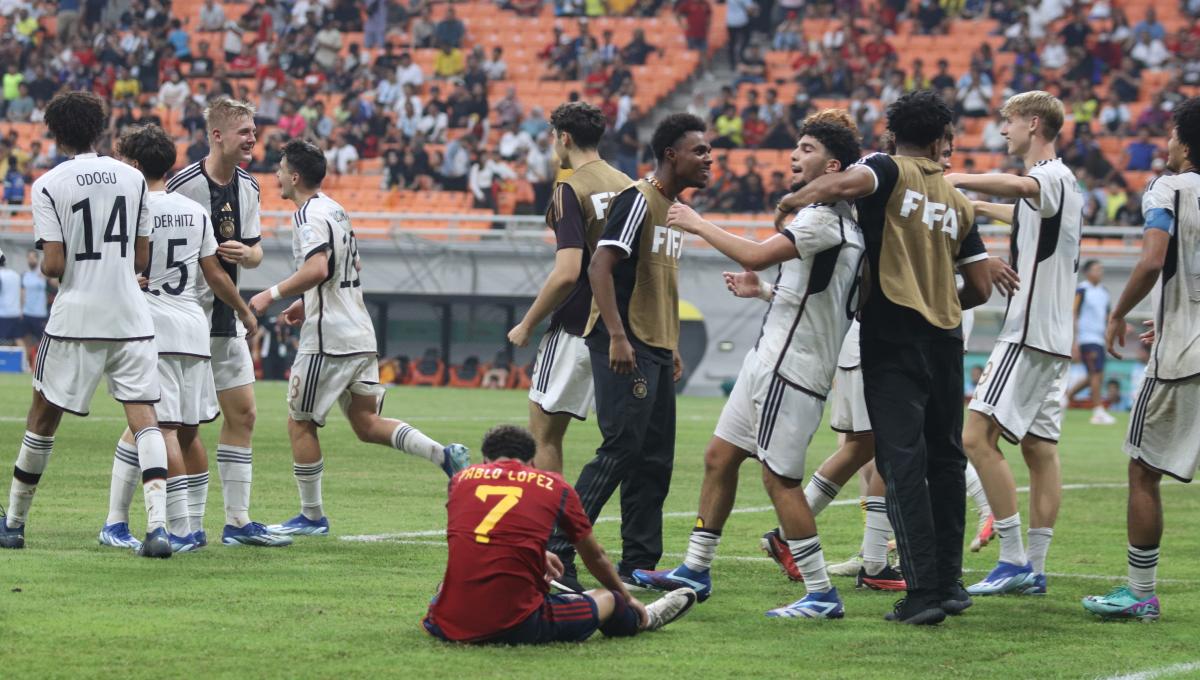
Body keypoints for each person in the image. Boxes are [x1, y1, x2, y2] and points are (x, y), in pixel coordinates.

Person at [632, 111, 865, 619]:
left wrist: (697, 223)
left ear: (834, 166)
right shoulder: (829, 219)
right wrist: (765, 293)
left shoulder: (827, 218)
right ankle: (696, 568)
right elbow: (813, 296)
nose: (795, 155)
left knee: (780, 480)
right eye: (797, 146)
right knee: (720, 456)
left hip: (793, 369)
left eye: (807, 149)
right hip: (771, 357)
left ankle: (821, 593)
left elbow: (758, 254)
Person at [778, 90, 992, 624]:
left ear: (893, 134)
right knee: (946, 461)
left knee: (901, 464)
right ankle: (950, 584)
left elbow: (841, 185)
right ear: (942, 140)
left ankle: (921, 595)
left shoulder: (885, 167)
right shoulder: (958, 201)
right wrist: (941, 301)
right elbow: (982, 287)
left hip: (893, 333)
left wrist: (793, 200)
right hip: (947, 339)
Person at [247, 140, 470, 536]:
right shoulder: (336, 209)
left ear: (294, 176)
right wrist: (306, 301)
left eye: (280, 169)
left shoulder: (307, 215)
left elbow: (318, 268)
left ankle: (311, 517)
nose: (277, 175)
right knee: (366, 423)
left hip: (329, 339)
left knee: (300, 422)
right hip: (360, 332)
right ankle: (443, 455)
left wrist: (272, 294)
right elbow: (351, 265)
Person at [0, 92, 171, 557]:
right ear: (99, 128)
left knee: (42, 417)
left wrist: (51, 260)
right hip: (130, 315)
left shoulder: (47, 185)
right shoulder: (133, 179)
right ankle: (158, 529)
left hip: (75, 316)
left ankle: (13, 523)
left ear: (55, 134)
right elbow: (141, 257)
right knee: (144, 418)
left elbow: (54, 265)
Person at [548, 114, 711, 591]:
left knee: (655, 457)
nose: (709, 159)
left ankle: (639, 564)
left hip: (655, 343)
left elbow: (659, 282)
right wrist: (618, 336)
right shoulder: (637, 199)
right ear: (671, 155)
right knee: (621, 447)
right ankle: (556, 549)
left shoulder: (675, 209)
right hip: (624, 341)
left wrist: (671, 344)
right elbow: (599, 267)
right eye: (699, 151)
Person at [98, 124, 260, 553]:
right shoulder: (193, 211)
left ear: (134, 165)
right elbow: (215, 274)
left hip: (151, 328)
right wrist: (243, 310)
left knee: (159, 429)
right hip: (194, 329)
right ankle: (187, 526)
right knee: (187, 432)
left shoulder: (130, 209)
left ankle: (179, 528)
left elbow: (114, 265)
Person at [947, 91, 1082, 599]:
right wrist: (980, 206)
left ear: (1033, 123)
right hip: (1054, 338)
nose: (1003, 131)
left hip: (1027, 333)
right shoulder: (1064, 185)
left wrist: (958, 180)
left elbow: (1023, 186)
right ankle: (1035, 569)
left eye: (1009, 122)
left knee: (975, 437)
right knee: (1039, 448)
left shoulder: (1048, 175)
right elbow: (1024, 209)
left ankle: (1011, 559)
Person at [1083, 97, 1200, 622]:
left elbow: (1153, 259)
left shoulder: (1168, 187)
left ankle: (1140, 592)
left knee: (1143, 471)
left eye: (1172, 134)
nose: (1167, 143)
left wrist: (1119, 313)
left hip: (1184, 358)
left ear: (1185, 143)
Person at [422, 425, 696, 644]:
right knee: (608, 599)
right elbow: (595, 556)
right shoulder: (553, 485)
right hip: (516, 623)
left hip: (444, 623)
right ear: (532, 461)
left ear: (485, 460)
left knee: (449, 587)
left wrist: (538, 552)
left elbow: (482, 533)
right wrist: (626, 596)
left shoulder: (461, 480)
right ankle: (644, 617)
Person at [164, 98, 287, 547]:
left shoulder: (249, 187)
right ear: (217, 135)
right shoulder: (182, 186)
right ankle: (155, 522)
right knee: (175, 426)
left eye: (254, 131)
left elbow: (255, 253)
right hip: (185, 320)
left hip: (226, 320)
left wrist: (247, 254)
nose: (253, 138)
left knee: (244, 414)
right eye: (244, 132)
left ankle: (237, 521)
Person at [506, 103, 632, 473]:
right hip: (622, 327)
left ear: (565, 138)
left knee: (543, 434)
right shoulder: (628, 185)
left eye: (552, 137)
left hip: (577, 323)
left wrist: (527, 324)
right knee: (624, 439)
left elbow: (566, 273)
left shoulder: (569, 189)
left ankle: (553, 511)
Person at [1067, 260, 1115, 424]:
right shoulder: (1082, 290)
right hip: (1086, 338)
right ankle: (1098, 411)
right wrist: (1074, 341)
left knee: (1095, 375)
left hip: (1099, 339)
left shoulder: (1104, 292)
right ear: (1087, 272)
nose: (1099, 272)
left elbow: (1108, 316)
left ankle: (1067, 396)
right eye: (1096, 269)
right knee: (1095, 374)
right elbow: (1073, 314)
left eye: (1101, 269)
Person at [20, 250, 50, 354]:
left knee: (41, 342)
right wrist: (21, 310)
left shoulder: (44, 274)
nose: (31, 260)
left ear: (37, 259)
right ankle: (27, 361)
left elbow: (56, 283)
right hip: (26, 313)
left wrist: (47, 276)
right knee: (25, 340)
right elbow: (22, 294)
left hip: (40, 314)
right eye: (29, 258)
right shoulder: (25, 275)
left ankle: (39, 360)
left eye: (33, 258)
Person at [0, 252, 19, 346]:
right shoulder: (15, 274)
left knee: (3, 343)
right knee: (16, 340)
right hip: (15, 313)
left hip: (3, 314)